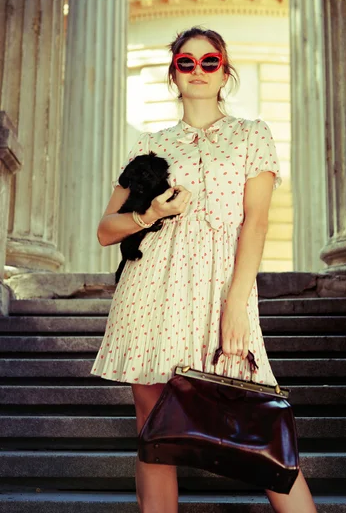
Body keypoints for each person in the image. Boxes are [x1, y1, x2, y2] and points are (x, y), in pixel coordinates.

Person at [91, 27, 317, 513]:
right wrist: (152, 214)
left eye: (208, 61)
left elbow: (255, 222)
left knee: (259, 422)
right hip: (151, 290)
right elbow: (106, 228)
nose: (197, 70)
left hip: (221, 290)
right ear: (173, 72)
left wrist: (237, 303)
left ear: (224, 70)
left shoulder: (251, 134)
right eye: (186, 62)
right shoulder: (149, 146)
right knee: (152, 425)